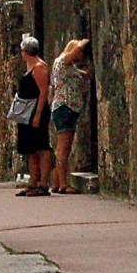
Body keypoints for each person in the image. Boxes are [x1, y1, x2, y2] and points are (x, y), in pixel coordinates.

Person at [49, 38, 92, 194]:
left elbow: (85, 75)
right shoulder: (62, 61)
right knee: (64, 148)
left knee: (62, 148)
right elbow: (75, 50)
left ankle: (55, 182)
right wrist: (84, 41)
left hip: (69, 109)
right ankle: (63, 184)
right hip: (65, 108)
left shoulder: (71, 68)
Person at [14, 35, 53, 197]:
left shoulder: (39, 67)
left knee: (41, 147)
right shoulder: (31, 66)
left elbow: (43, 92)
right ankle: (33, 181)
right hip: (27, 112)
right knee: (31, 148)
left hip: (37, 111)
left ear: (27, 51)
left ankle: (43, 183)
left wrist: (37, 115)